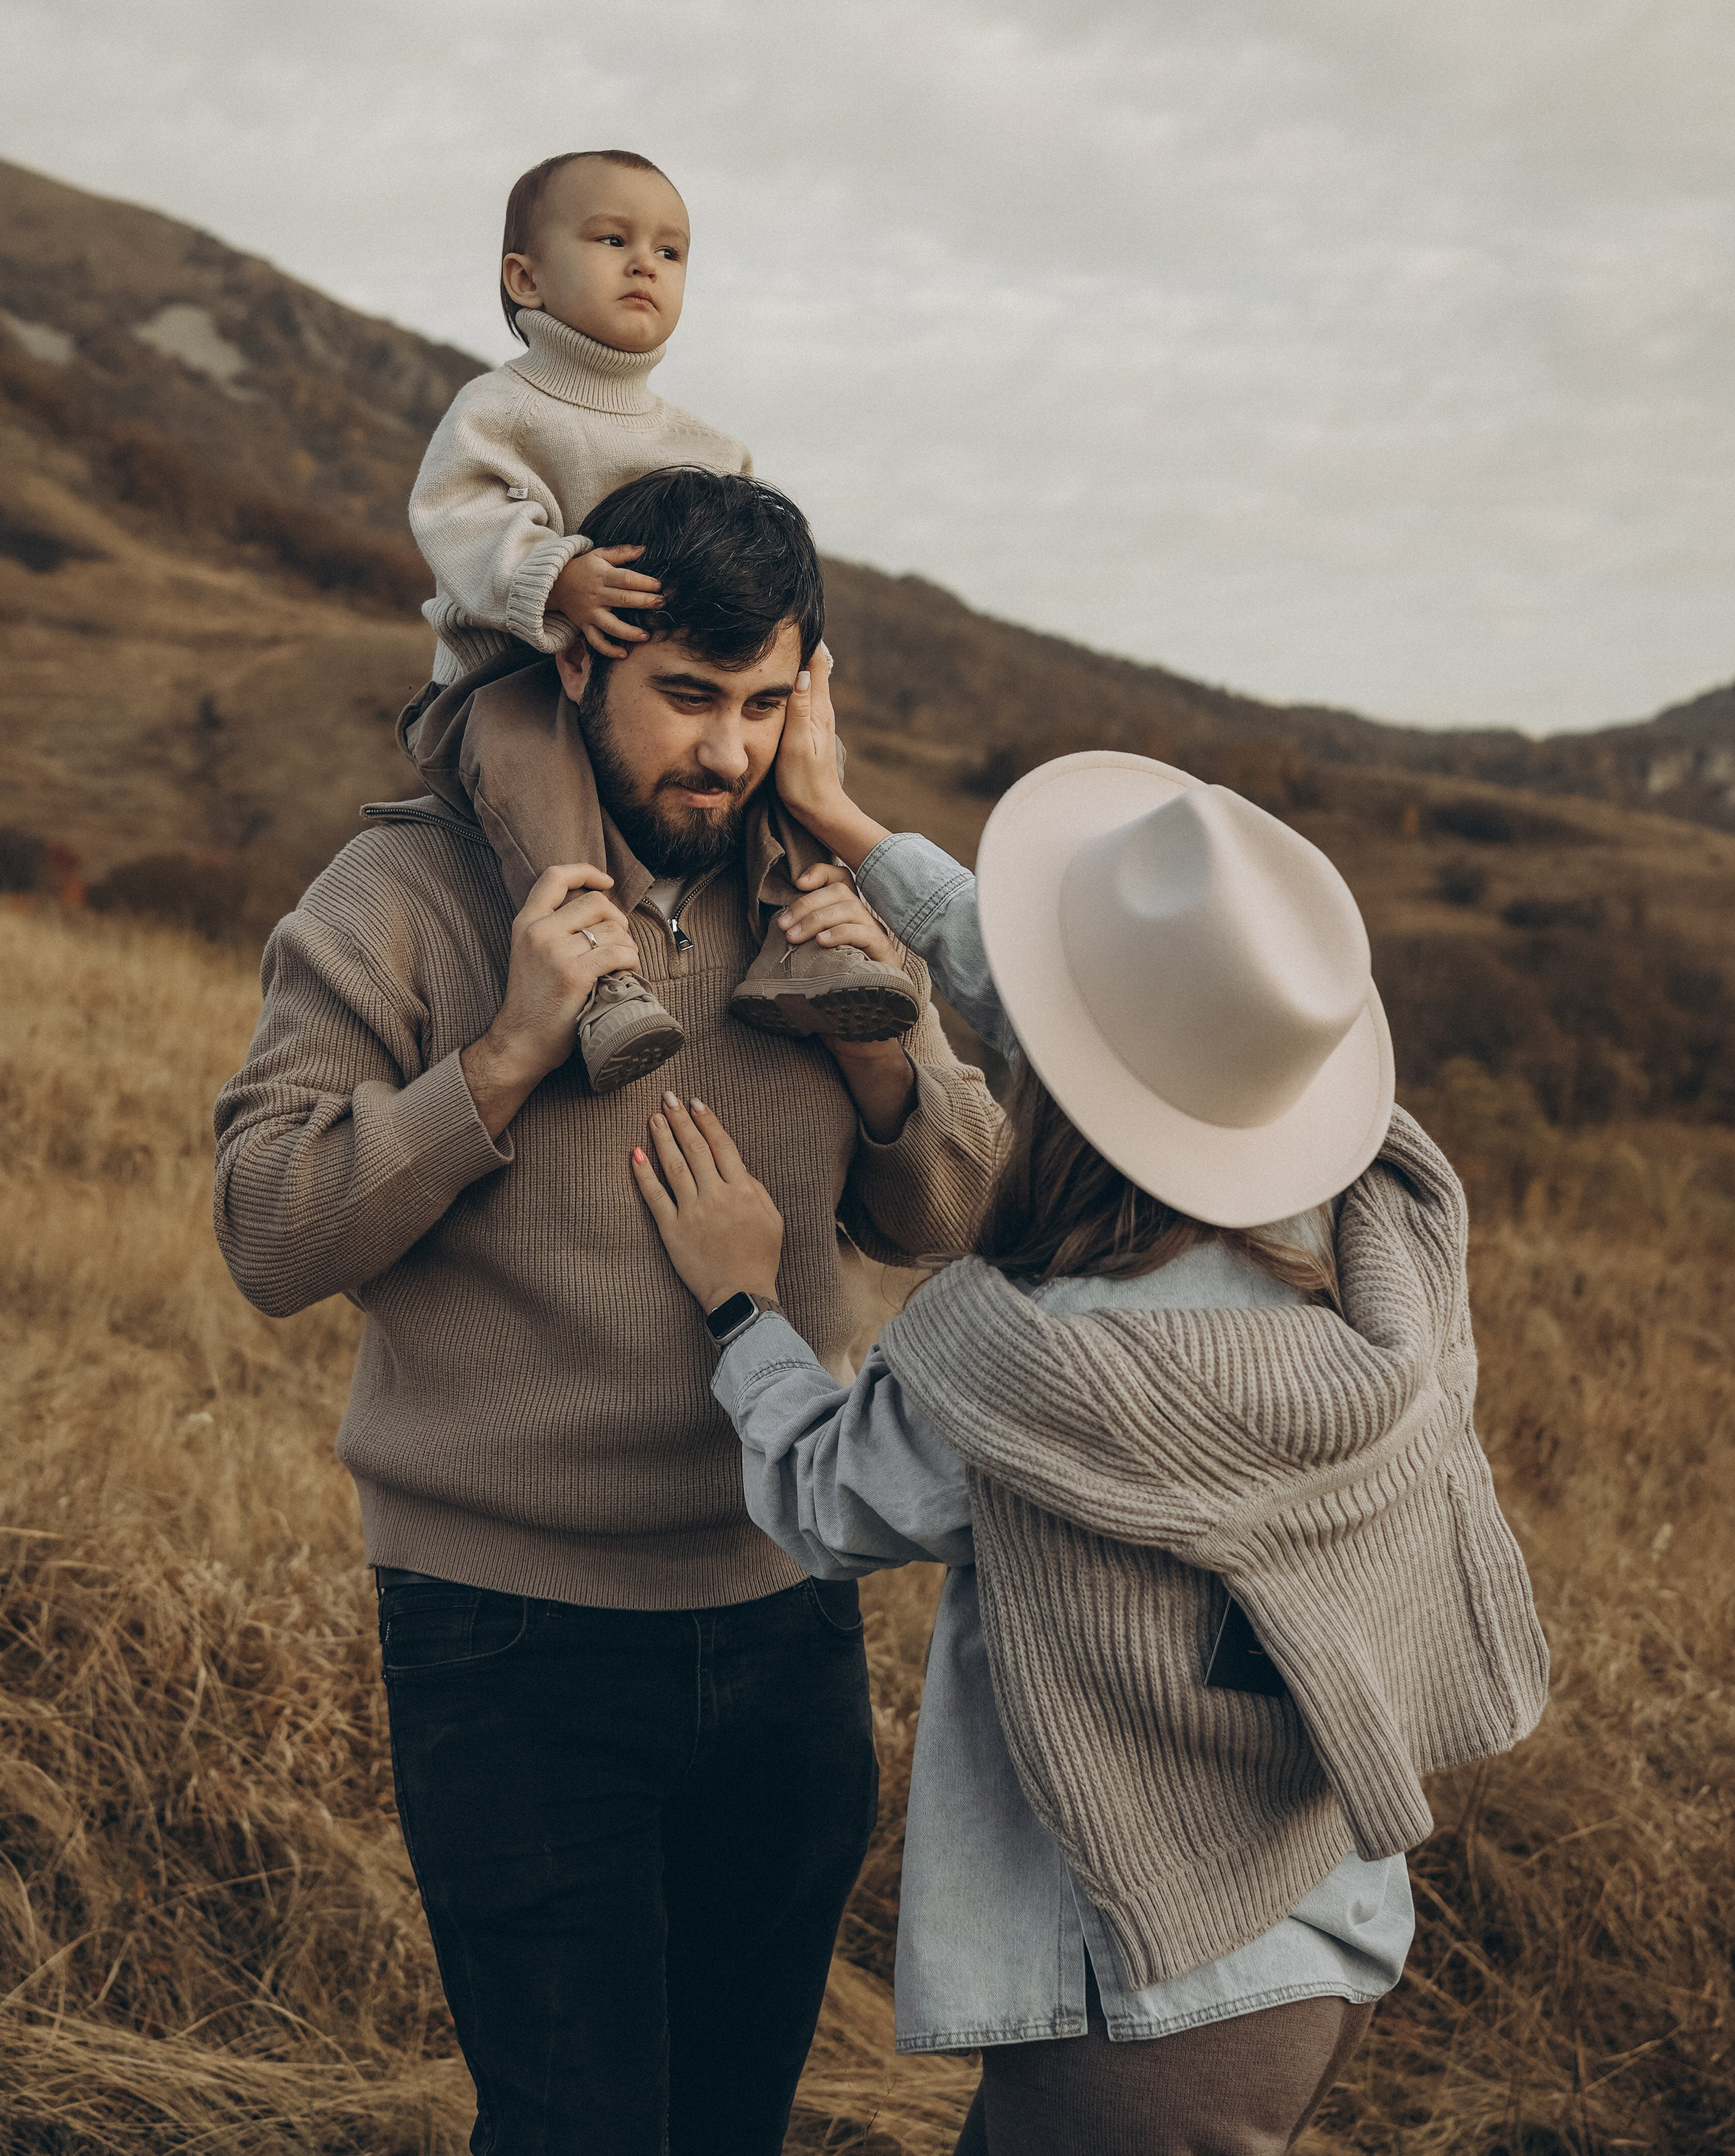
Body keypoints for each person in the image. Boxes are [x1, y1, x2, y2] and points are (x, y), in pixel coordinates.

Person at [629, 650, 1551, 2156]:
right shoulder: (1377, 1239)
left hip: (1139, 1979)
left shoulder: (1030, 1365)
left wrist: (741, 1303)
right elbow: (1147, 1037)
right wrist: (847, 823)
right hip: (1314, 1928)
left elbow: (819, 1493)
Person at [212, 485, 1004, 2156]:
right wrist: (503, 1052)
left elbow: (944, 1217)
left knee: (727, 2127)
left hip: (785, 1619)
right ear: (579, 669)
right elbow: (271, 1235)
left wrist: (879, 1049)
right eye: (687, 697)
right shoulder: (405, 890)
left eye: (763, 703)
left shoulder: (819, 914)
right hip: (508, 1639)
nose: (725, 751)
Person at [406, 146, 916, 1089]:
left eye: (671, 251)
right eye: (612, 239)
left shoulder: (708, 445)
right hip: (506, 684)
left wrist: (783, 685)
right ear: (527, 278)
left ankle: (808, 937)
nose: (646, 264)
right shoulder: (499, 411)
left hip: (641, 700)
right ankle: (598, 974)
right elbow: (457, 515)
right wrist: (554, 575)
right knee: (530, 750)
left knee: (784, 756)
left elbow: (759, 588)